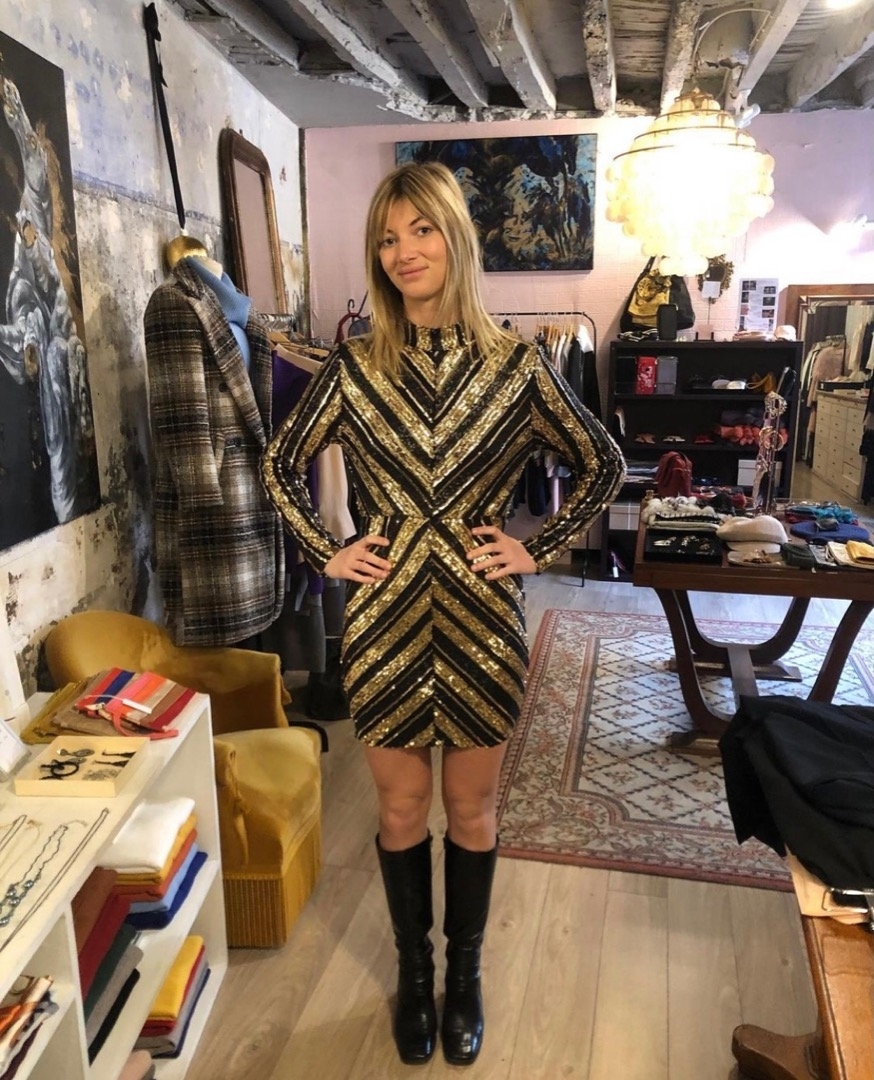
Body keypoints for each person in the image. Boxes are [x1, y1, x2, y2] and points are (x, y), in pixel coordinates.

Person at [261, 161, 625, 1066]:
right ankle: (414, 975)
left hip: (480, 623)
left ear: (456, 236)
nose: (403, 252)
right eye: (388, 238)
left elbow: (604, 463)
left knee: (471, 808)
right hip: (384, 622)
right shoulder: (355, 367)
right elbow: (279, 463)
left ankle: (464, 975)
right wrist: (327, 548)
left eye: (421, 229)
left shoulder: (517, 365)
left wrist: (539, 546)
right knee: (399, 808)